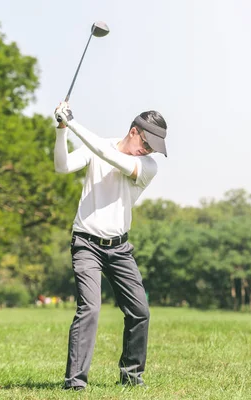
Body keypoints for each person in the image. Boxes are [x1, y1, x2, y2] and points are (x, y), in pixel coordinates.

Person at [53, 102, 168, 390]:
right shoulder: (98, 145)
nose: (149, 150)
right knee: (89, 309)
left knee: (140, 311)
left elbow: (107, 155)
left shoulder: (146, 166)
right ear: (134, 131)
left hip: (120, 249)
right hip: (86, 244)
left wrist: (73, 121)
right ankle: (75, 383)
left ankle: (131, 377)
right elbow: (62, 166)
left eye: (154, 147)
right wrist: (61, 129)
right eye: (146, 143)